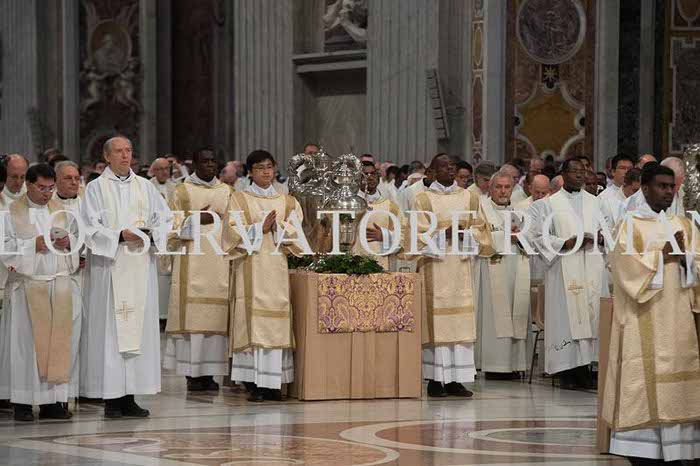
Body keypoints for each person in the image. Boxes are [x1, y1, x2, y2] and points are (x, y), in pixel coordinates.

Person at [603, 163, 700, 465]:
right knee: (642, 384)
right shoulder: (629, 225)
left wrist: (684, 260)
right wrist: (662, 256)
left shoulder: (684, 225)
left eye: (671, 187)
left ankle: (678, 450)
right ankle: (641, 450)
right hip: (642, 318)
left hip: (678, 319)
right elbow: (623, 268)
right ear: (645, 189)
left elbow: (697, 265)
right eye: (661, 186)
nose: (668, 192)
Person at [81, 136, 173, 418]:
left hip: (139, 265)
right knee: (111, 332)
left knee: (138, 331)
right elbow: (88, 226)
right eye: (119, 151)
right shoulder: (95, 188)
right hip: (110, 267)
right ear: (106, 156)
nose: (125, 156)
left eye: (128, 151)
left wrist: (152, 234)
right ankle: (111, 398)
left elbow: (165, 219)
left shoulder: (145, 186)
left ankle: (130, 395)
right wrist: (120, 235)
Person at [222, 150, 305, 402]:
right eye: (260, 168)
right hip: (250, 268)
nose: (266, 172)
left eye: (269, 166)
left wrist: (278, 227)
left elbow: (297, 235)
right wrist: (261, 228)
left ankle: (273, 383)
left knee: (276, 321)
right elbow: (230, 233)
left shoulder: (287, 201)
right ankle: (254, 383)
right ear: (250, 172)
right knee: (252, 322)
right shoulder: (239, 199)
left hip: (276, 269)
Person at [0, 164, 81, 421]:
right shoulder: (10, 212)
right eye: (42, 188)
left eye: (51, 188)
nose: (47, 194)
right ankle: (23, 402)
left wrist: (69, 242)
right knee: (26, 347)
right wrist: (32, 244)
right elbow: (5, 248)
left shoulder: (61, 211)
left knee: (58, 345)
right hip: (28, 288)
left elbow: (76, 241)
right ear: (29, 185)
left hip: (58, 286)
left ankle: (52, 403)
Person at [411, 154, 494, 398]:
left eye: (452, 166)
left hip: (461, 268)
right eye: (443, 166)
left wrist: (465, 235)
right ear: (432, 172)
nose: (449, 169)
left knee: (460, 323)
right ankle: (436, 380)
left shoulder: (469, 197)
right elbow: (414, 235)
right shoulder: (423, 199)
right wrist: (443, 234)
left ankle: (457, 380)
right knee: (437, 324)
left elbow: (482, 230)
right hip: (435, 268)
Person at [529, 158, 606, 390]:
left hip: (591, 266)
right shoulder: (549, 204)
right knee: (566, 320)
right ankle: (566, 372)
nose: (580, 175)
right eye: (574, 171)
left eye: (583, 171)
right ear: (563, 174)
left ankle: (585, 370)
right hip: (563, 268)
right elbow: (538, 236)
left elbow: (608, 229)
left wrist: (601, 237)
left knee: (590, 318)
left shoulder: (595, 202)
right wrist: (565, 243)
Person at [164, 148, 233, 392]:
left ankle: (210, 373)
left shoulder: (227, 191)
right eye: (205, 161)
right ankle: (193, 374)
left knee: (216, 321)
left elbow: (236, 224)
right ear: (194, 164)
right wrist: (195, 219)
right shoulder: (182, 191)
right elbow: (170, 228)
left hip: (219, 264)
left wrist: (219, 220)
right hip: (191, 262)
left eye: (213, 161)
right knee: (193, 320)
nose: (210, 165)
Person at [475, 171, 530, 379]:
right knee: (495, 317)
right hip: (492, 269)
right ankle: (495, 366)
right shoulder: (481, 210)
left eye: (507, 187)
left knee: (517, 313)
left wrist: (521, 237)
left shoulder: (520, 212)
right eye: (498, 187)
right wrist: (506, 236)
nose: (503, 191)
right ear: (490, 188)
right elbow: (478, 238)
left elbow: (532, 239)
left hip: (517, 268)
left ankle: (515, 364)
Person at [351, 162, 404, 271]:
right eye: (365, 174)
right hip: (353, 264)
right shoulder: (349, 205)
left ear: (378, 177)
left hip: (382, 263)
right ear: (357, 178)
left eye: (373, 174)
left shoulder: (391, 206)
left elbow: (405, 234)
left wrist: (386, 235)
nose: (370, 178)